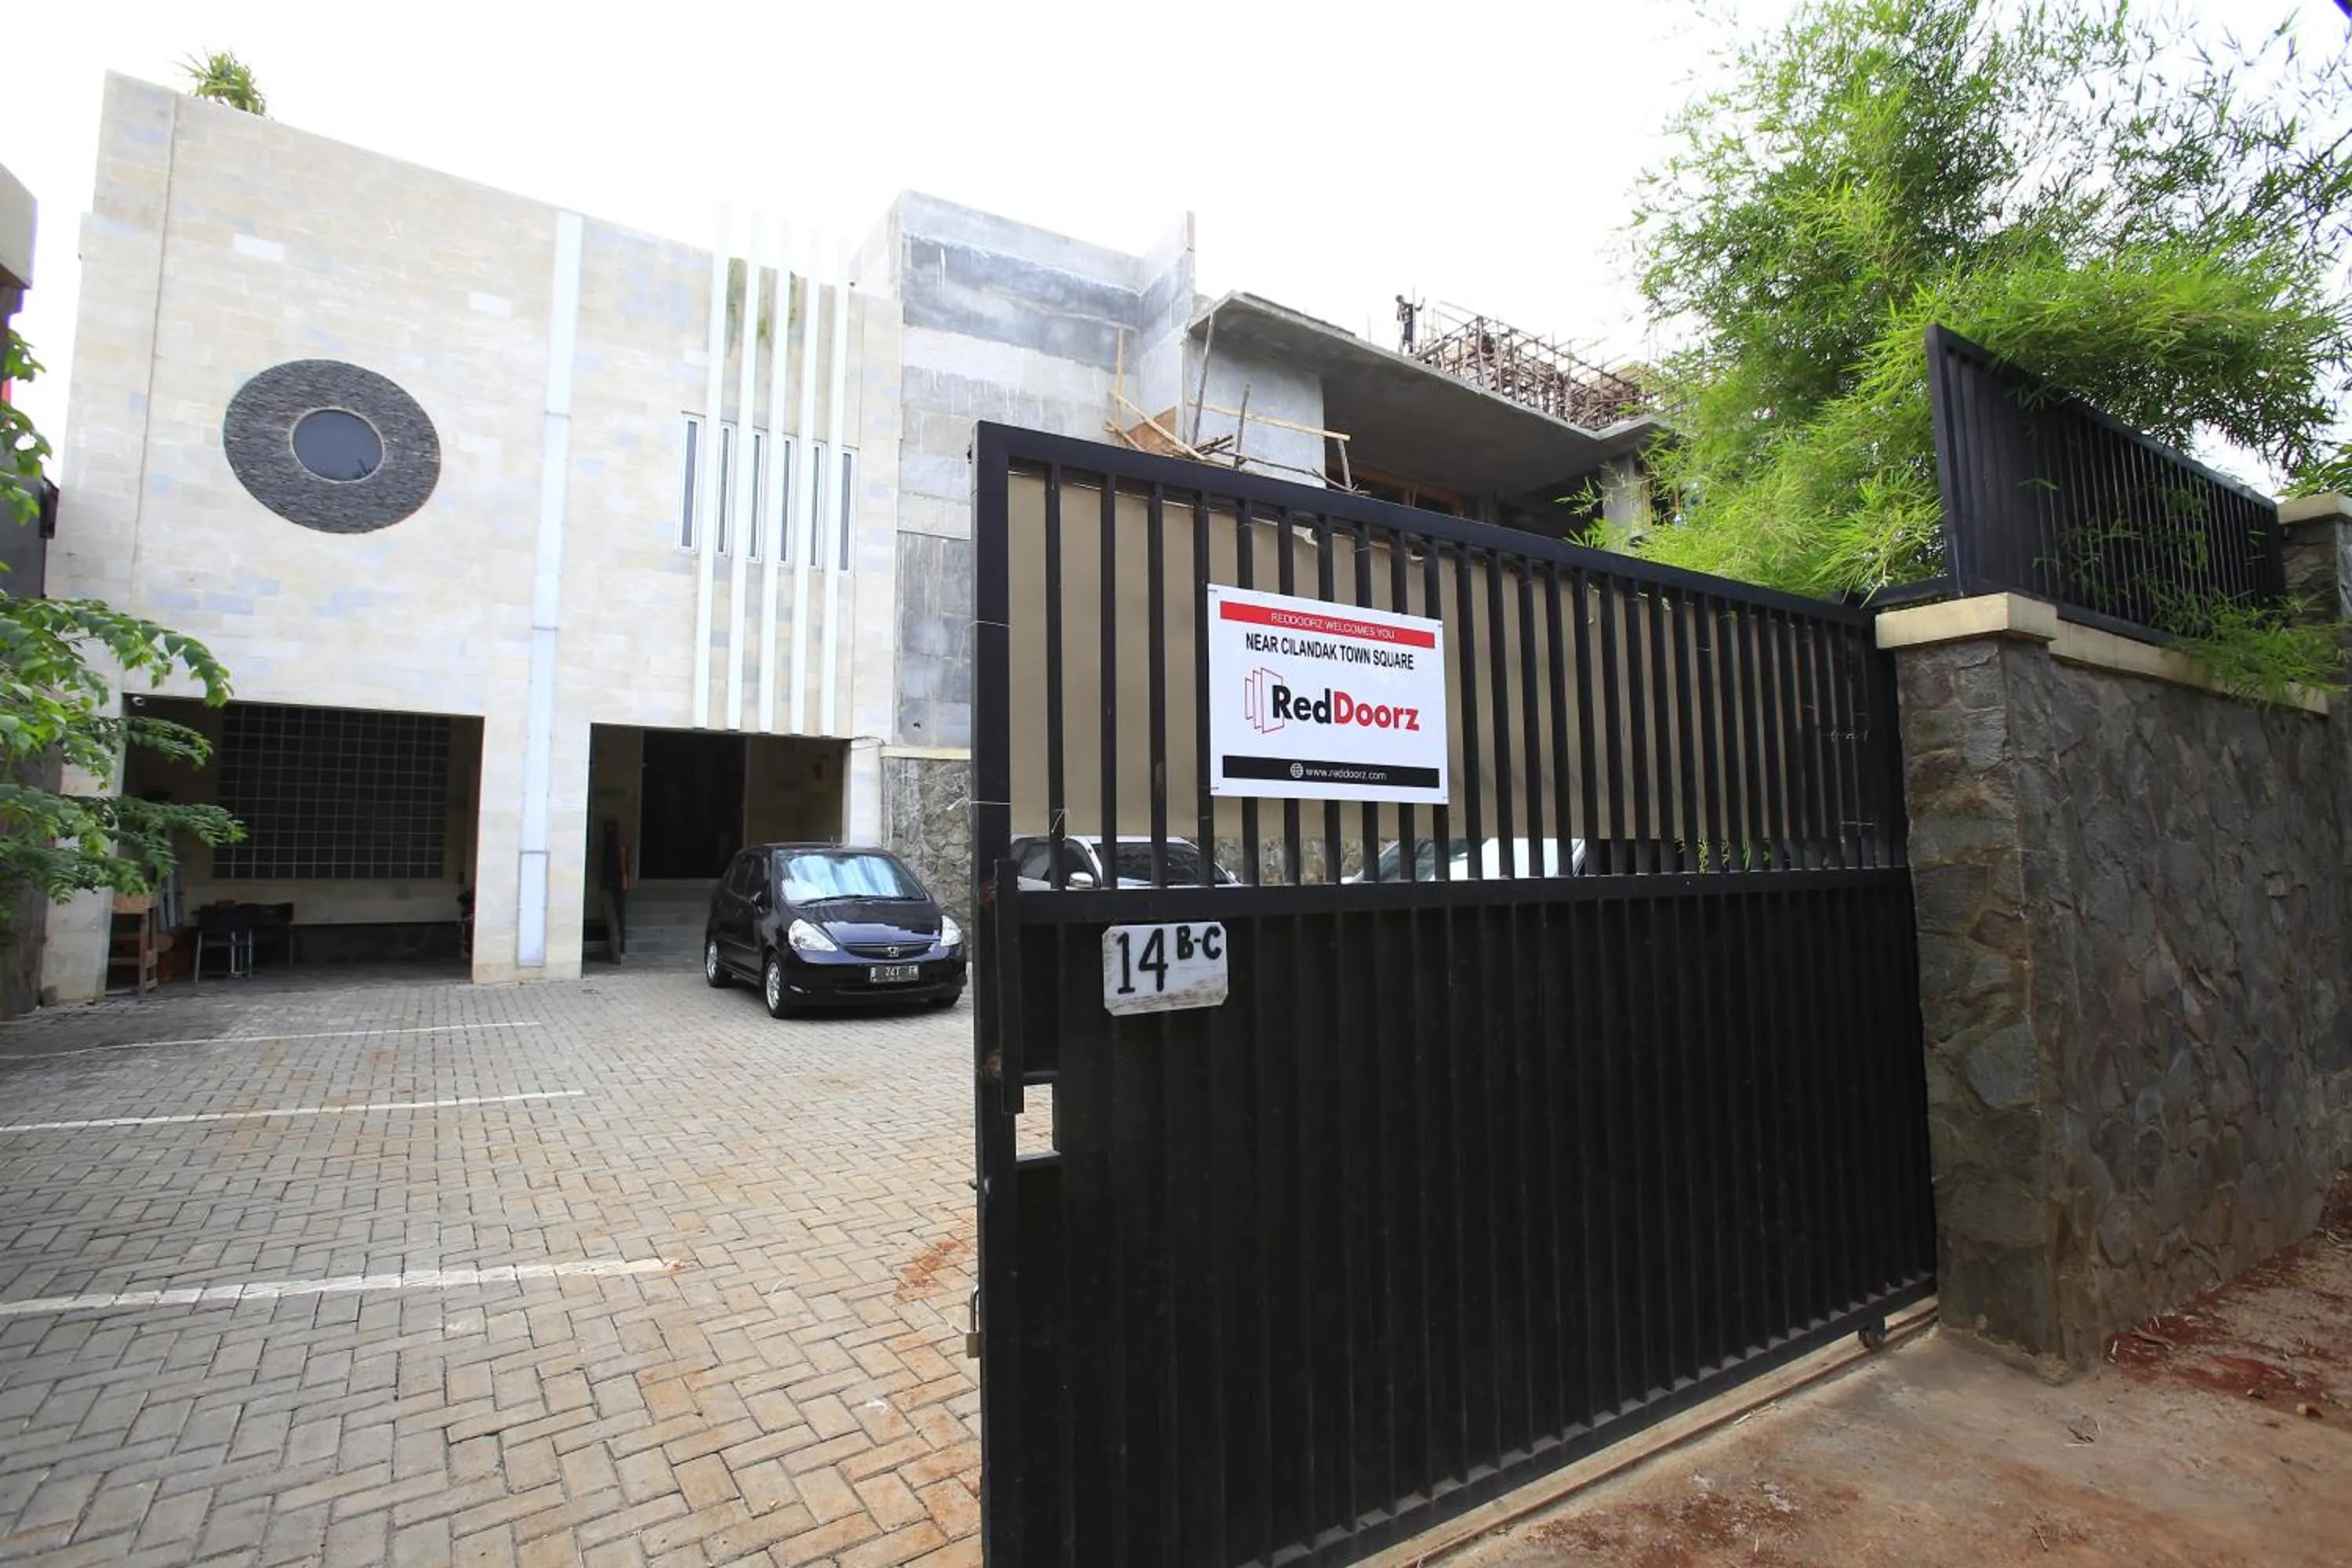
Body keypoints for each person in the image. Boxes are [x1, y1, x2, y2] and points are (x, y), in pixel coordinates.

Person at [598, 820, 630, 963]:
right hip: (612, 887)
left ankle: (619, 952)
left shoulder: (616, 848)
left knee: (617, 922)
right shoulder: (613, 847)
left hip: (614, 887)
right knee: (616, 923)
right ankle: (619, 952)